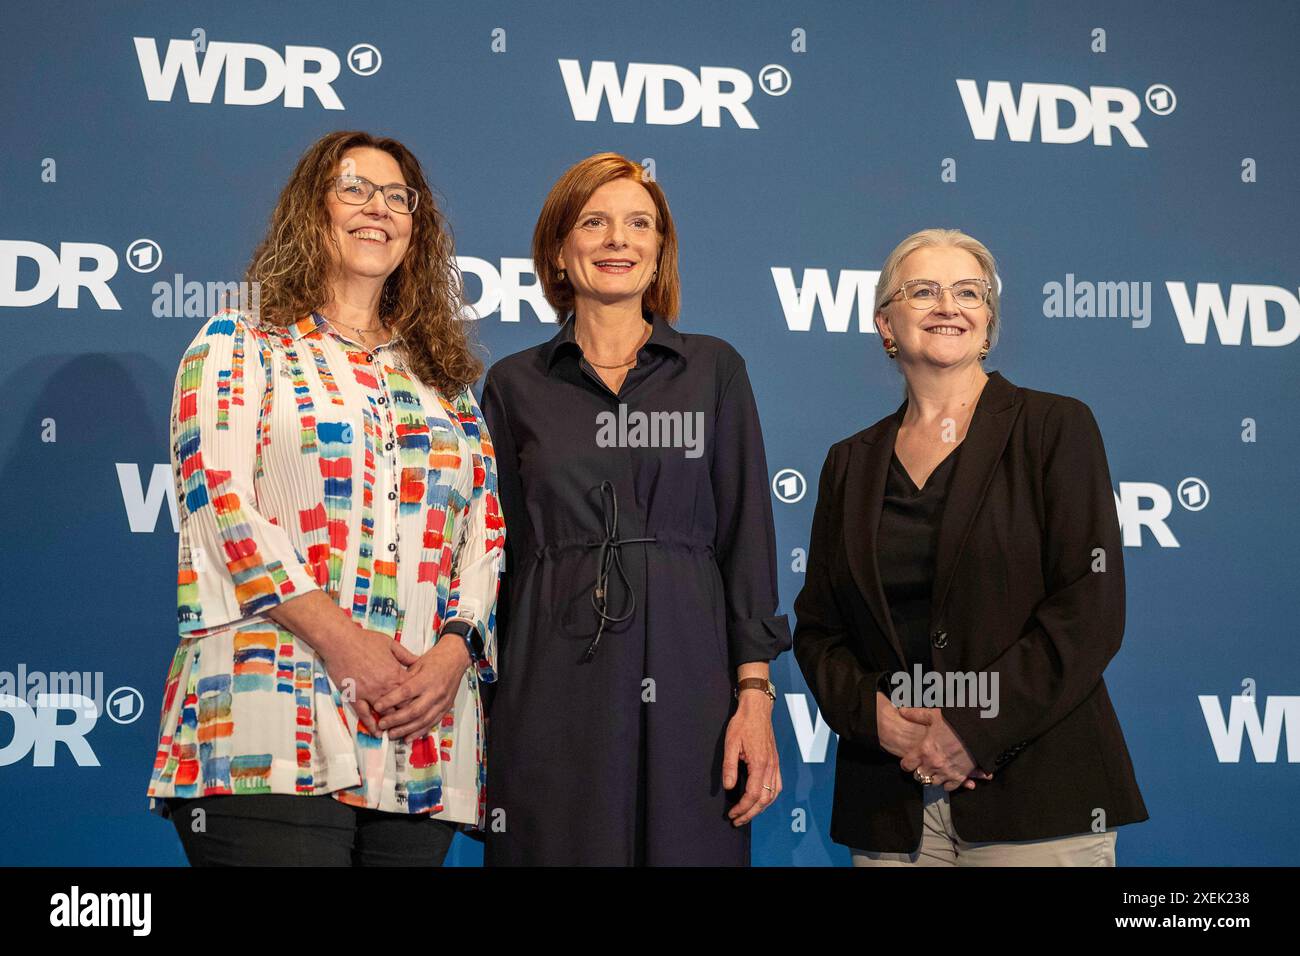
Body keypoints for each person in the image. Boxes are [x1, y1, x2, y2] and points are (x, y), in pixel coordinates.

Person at [145, 130, 504, 866]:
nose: (379, 209)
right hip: (269, 723)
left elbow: (485, 532)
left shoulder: (444, 381)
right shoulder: (239, 344)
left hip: (417, 746)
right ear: (313, 209)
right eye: (355, 189)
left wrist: (453, 651)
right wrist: (347, 646)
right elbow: (220, 507)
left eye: (398, 196)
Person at [793, 228, 1147, 866]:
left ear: (987, 325)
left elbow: (1088, 609)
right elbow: (820, 629)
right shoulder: (849, 463)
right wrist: (876, 716)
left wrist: (972, 728)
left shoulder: (1055, 427)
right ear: (886, 325)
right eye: (923, 291)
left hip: (1035, 795)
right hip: (889, 804)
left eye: (968, 293)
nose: (947, 305)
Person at [481, 153, 791, 865]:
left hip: (692, 680)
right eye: (594, 221)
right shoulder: (513, 385)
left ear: (659, 252)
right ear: (560, 250)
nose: (618, 239)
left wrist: (754, 695)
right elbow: (497, 558)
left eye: (638, 224)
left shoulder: (714, 369)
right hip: (551, 675)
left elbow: (746, 541)